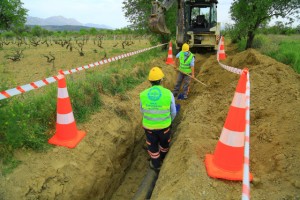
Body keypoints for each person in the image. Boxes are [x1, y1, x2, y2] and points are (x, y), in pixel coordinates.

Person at [140, 67, 177, 171]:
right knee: (164, 144)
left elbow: (142, 110)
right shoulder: (168, 93)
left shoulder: (143, 94)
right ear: (161, 80)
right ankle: (163, 158)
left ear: (149, 81)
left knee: (152, 146)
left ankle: (156, 164)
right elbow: (173, 112)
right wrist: (169, 122)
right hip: (164, 127)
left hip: (149, 128)